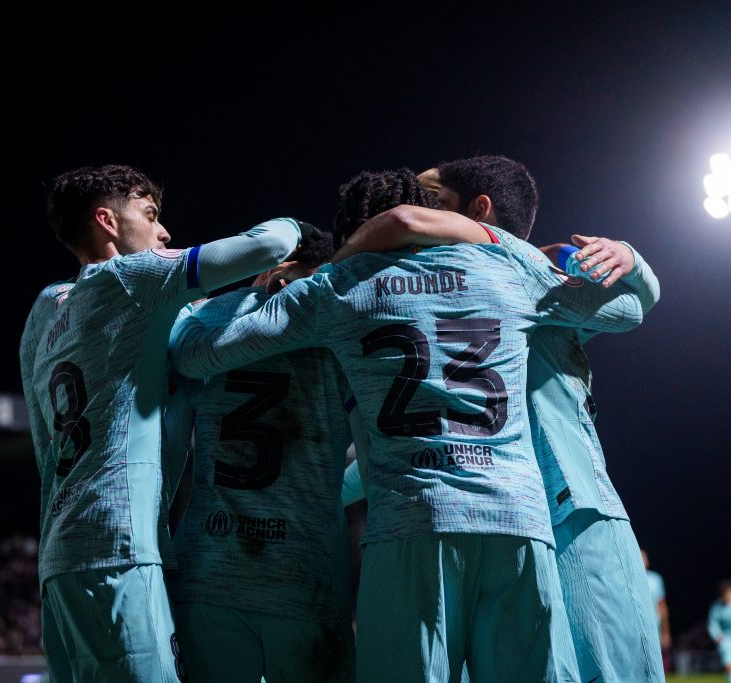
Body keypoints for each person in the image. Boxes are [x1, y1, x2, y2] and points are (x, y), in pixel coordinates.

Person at [170, 166, 650, 682]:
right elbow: (628, 310)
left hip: (412, 522)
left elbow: (197, 355)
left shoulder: (339, 285)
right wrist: (627, 256)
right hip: (517, 519)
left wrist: (240, 296)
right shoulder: (509, 264)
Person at [334, 154, 664, 681]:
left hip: (573, 514)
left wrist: (628, 254)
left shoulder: (536, 285)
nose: (419, 210)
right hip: (488, 521)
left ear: (478, 211)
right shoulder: (421, 304)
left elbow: (634, 306)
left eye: (433, 201)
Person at [18, 163, 301, 683]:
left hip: (58, 556)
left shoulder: (45, 308)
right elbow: (268, 245)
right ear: (106, 221)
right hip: (119, 545)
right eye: (150, 215)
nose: (164, 231)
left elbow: (42, 443)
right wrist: (297, 228)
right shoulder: (132, 278)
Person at [164, 223, 363, 682]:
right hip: (305, 578)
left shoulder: (206, 318)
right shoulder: (340, 325)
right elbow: (373, 464)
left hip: (207, 571)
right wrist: (333, 491)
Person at [642, 548, 673, 670]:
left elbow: (662, 606)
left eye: (644, 557)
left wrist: (665, 632)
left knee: (654, 662)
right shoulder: (624, 578)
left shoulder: (656, 579)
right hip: (632, 627)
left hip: (654, 626)